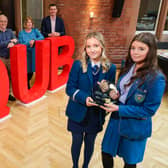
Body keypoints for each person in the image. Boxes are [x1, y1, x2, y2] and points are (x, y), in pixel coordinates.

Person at [100, 32, 166, 168]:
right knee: (106, 152)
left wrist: (119, 108)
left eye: (141, 49)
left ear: (151, 51)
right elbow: (123, 92)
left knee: (129, 162)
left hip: (135, 126)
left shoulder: (156, 78)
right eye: (133, 48)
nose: (135, 52)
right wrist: (115, 94)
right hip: (116, 121)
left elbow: (148, 110)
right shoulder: (128, 66)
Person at [65, 32, 116, 168]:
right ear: (85, 49)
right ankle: (75, 165)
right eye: (88, 46)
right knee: (76, 142)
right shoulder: (77, 65)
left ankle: (85, 166)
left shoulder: (111, 68)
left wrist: (109, 91)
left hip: (95, 114)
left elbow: (111, 92)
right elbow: (69, 89)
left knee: (90, 143)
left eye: (95, 45)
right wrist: (83, 98)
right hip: (77, 111)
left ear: (102, 47)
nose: (92, 49)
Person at [18, 16, 44, 89]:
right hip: (25, 54)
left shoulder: (35, 31)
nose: (29, 23)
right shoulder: (21, 33)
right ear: (25, 24)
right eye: (27, 22)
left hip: (34, 54)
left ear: (32, 24)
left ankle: (27, 82)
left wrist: (34, 40)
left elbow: (42, 37)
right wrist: (29, 43)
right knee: (26, 71)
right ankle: (26, 85)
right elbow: (20, 43)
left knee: (32, 71)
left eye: (30, 22)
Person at [0, 14, 18, 101]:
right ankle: (2, 95)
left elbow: (16, 40)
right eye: (1, 21)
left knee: (10, 76)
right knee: (2, 78)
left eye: (5, 21)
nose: (3, 23)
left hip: (10, 58)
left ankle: (8, 94)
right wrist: (9, 41)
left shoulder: (10, 31)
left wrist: (13, 43)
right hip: (1, 59)